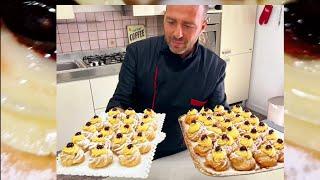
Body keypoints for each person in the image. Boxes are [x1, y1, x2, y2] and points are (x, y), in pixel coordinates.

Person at [106, 5, 229, 159]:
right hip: (139, 151)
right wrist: (116, 117)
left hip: (185, 152)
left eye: (188, 25)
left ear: (203, 26)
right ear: (164, 18)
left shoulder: (214, 67)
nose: (177, 33)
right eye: (171, 22)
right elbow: (119, 101)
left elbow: (220, 116)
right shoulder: (137, 53)